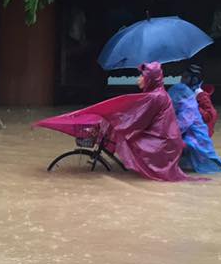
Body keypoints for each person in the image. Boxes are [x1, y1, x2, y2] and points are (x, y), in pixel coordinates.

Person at [37, 62, 187, 182]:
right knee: (121, 130)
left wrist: (115, 120)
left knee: (124, 133)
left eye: (142, 76)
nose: (138, 79)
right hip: (164, 140)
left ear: (150, 79)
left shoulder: (156, 97)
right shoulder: (156, 94)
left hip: (162, 143)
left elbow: (137, 121)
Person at [168, 66, 221, 174]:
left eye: (185, 77)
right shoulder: (182, 92)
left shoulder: (200, 95)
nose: (182, 80)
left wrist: (196, 102)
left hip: (197, 137)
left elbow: (211, 115)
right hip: (188, 135)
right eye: (182, 77)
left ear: (194, 80)